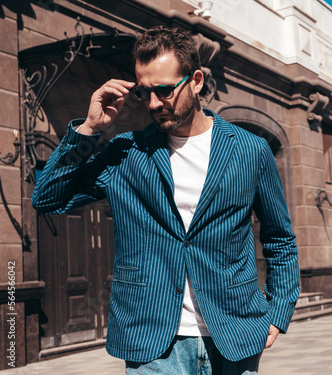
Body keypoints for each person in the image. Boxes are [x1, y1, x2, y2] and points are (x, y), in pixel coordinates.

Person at [32, 26, 300, 374]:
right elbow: (48, 197)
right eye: (144, 93)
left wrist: (278, 312)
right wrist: (89, 130)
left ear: (197, 80)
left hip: (234, 334)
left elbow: (279, 238)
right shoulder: (126, 153)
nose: (154, 104)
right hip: (153, 340)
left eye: (164, 90)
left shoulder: (250, 150)